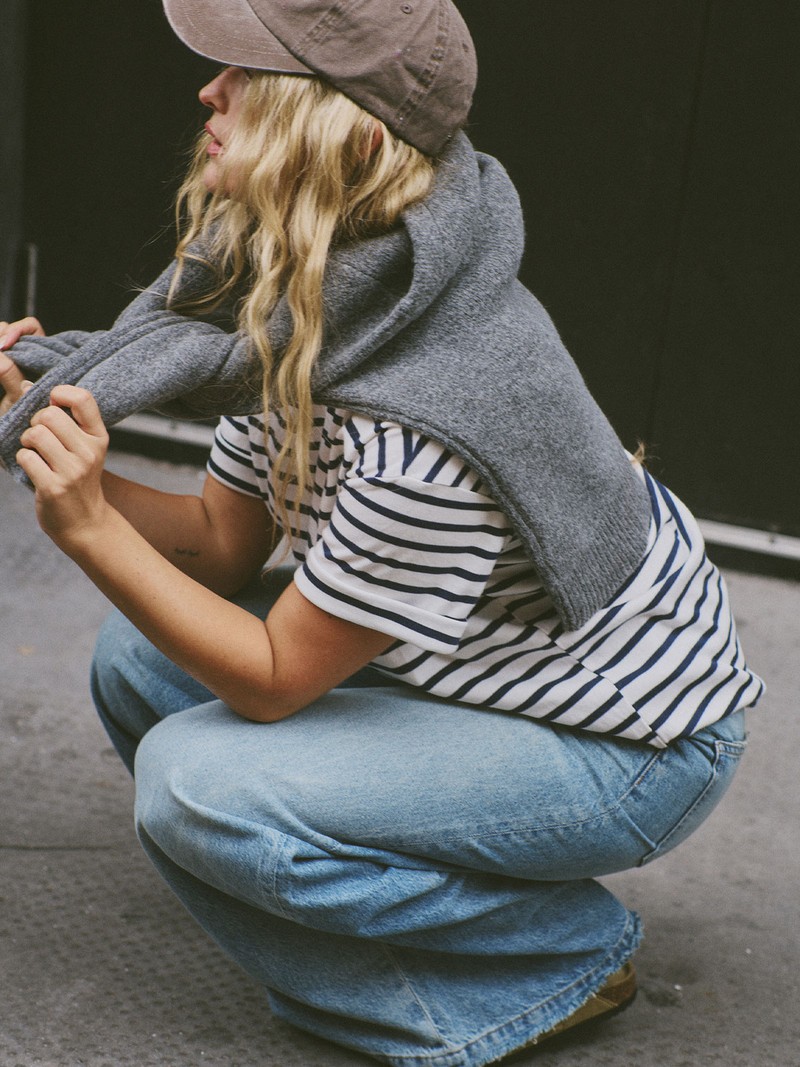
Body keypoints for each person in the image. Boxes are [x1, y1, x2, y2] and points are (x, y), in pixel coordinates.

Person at [0, 1, 764, 1064]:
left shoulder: (432, 418)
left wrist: (87, 526)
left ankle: (550, 957)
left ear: (347, 136)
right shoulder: (306, 294)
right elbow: (220, 541)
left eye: (247, 78)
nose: (208, 93)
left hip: (629, 747)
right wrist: (41, 435)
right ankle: (384, 892)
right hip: (472, 667)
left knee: (195, 785)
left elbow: (274, 678)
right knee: (141, 658)